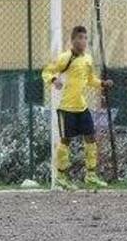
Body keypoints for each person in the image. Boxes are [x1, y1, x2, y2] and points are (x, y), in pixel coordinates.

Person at [42, 25, 114, 190]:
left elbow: (90, 80)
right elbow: (46, 71)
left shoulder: (88, 59)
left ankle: (90, 175)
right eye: (79, 38)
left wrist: (102, 83)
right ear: (72, 40)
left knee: (91, 138)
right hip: (66, 107)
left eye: (85, 38)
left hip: (82, 106)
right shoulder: (65, 58)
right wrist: (54, 80)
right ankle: (61, 176)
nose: (83, 41)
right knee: (65, 141)